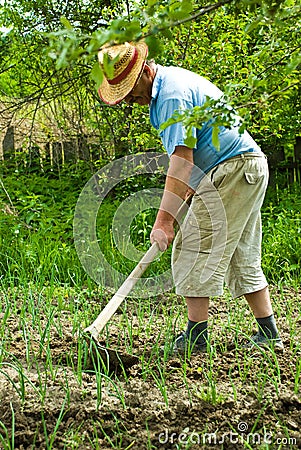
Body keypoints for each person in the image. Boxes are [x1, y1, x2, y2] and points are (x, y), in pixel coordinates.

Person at [96, 41, 283, 353]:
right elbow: (192, 164)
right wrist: (182, 205)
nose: (129, 99)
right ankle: (269, 333)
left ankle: (196, 337)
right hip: (246, 168)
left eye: (129, 89)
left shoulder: (170, 95)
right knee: (240, 254)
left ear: (144, 71)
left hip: (233, 170)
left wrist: (164, 222)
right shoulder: (170, 86)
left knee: (191, 247)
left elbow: (181, 164)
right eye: (123, 94)